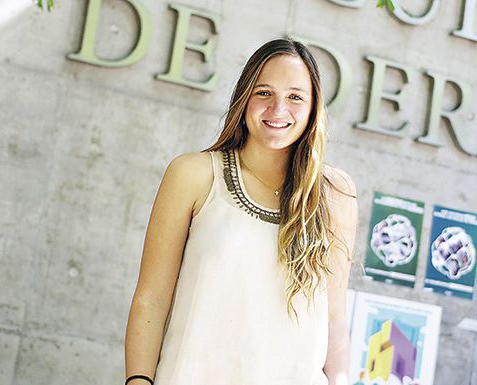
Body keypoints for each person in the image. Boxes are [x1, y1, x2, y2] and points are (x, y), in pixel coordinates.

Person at [124, 38, 358, 385]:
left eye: (295, 96)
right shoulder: (194, 174)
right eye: (264, 92)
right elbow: (151, 299)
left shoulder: (335, 194)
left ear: (313, 109)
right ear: (243, 98)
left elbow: (334, 320)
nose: (279, 109)